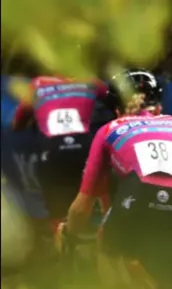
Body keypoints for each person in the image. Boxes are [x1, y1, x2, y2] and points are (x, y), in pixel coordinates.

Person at [60, 68, 172, 289]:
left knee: (108, 247)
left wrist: (70, 234)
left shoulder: (110, 129)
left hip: (137, 198)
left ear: (118, 110)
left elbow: (83, 205)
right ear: (158, 106)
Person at [11, 73, 115, 233]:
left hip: (52, 153)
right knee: (96, 204)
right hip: (84, 152)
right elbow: (117, 98)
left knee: (58, 215)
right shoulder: (90, 80)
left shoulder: (38, 84)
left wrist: (36, 118)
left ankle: (61, 239)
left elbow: (18, 123)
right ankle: (105, 237)